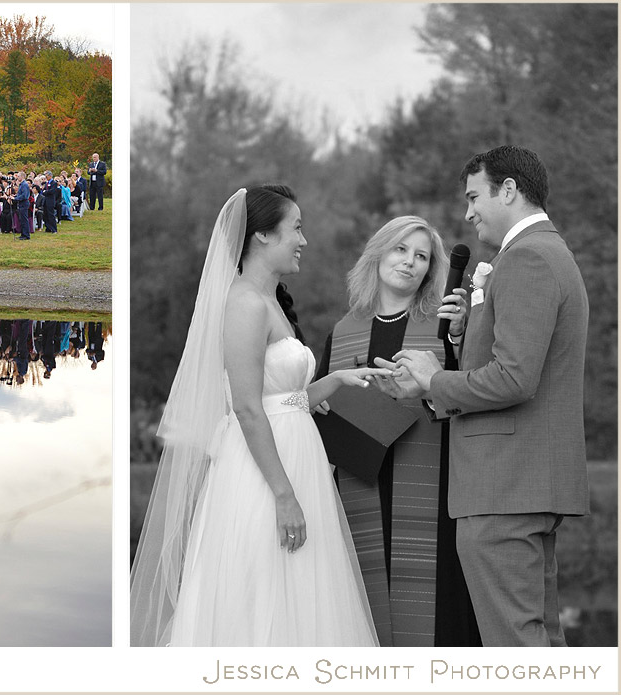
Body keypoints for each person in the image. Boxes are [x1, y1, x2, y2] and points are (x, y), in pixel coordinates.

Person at [130, 185, 389, 647]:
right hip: (264, 474)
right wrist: (285, 496)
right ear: (263, 236)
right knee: (261, 587)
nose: (304, 240)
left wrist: (335, 383)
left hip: (294, 458)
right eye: (297, 228)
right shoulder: (245, 303)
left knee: (302, 588)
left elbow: (281, 398)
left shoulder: (271, 302)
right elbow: (248, 409)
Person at [377, 146, 590, 647]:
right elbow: (516, 364)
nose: (469, 211)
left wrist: (433, 380)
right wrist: (461, 338)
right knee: (539, 644)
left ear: (509, 190)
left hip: (504, 485)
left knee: (513, 649)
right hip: (523, 483)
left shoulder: (528, 258)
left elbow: (515, 379)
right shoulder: (545, 253)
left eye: (475, 196)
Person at [314, 216, 480, 647]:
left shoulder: (444, 330)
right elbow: (317, 409)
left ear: (430, 270)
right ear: (378, 254)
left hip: (431, 489)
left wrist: (428, 389)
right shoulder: (343, 332)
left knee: (434, 620)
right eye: (400, 250)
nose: (409, 262)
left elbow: (471, 401)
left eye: (421, 256)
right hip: (357, 481)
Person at [13, 171, 30, 240]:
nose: (17, 178)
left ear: (22, 177)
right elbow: (21, 194)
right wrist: (15, 196)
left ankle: (26, 235)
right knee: (21, 220)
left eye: (18, 176)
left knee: (24, 220)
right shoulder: (21, 184)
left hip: (24, 204)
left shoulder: (24, 185)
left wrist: (15, 198)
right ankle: (23, 234)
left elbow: (24, 196)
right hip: (21, 204)